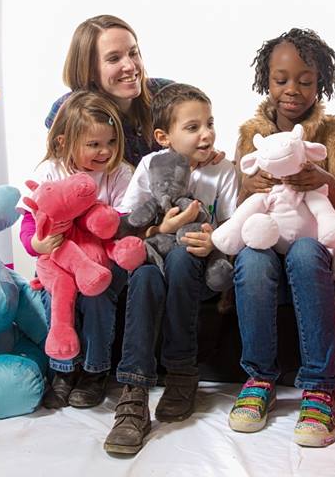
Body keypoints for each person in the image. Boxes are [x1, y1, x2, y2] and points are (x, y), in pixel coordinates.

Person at [228, 28, 335, 448]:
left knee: (307, 251)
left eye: (305, 81)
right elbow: (235, 214)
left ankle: (319, 387)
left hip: (317, 251)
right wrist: (247, 188)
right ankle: (259, 379)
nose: (292, 90)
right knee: (252, 259)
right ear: (266, 81)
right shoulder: (250, 137)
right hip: (265, 244)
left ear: (321, 82)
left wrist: (329, 183)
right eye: (281, 79)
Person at [103, 83, 239, 455]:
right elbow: (128, 224)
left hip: (198, 271)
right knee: (144, 273)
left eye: (210, 123)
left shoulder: (222, 170)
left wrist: (214, 242)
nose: (206, 134)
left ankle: (181, 372)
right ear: (164, 137)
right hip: (156, 262)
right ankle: (134, 393)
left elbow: (233, 225)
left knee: (181, 256)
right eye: (193, 127)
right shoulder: (150, 165)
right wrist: (161, 228)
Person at [19, 90, 131, 409]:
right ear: (63, 142)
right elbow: (29, 221)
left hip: (102, 260)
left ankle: (95, 370)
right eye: (94, 144)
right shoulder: (50, 172)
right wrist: (37, 244)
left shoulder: (119, 173)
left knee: (97, 296)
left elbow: (123, 223)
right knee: (56, 298)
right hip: (59, 260)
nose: (105, 151)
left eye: (111, 142)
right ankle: (63, 370)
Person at [44, 14, 173, 167]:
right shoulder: (71, 111)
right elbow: (61, 174)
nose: (130, 66)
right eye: (114, 59)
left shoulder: (167, 94)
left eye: (133, 53)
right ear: (89, 69)